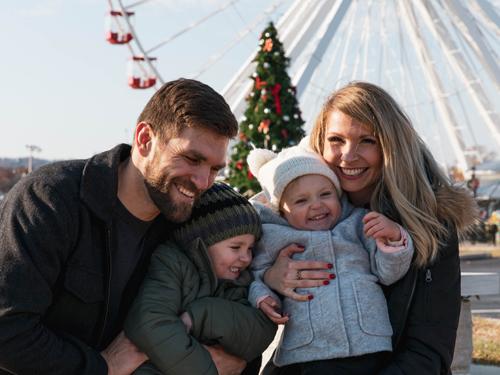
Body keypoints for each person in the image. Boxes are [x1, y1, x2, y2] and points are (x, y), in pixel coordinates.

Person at [0, 78, 245, 375]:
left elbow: (233, 302)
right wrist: (102, 367)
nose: (203, 181)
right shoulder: (48, 200)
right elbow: (8, 331)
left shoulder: (192, 222)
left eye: (215, 169)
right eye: (192, 159)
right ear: (144, 140)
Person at [260, 81, 478, 375]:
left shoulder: (429, 224)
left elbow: (428, 351)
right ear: (319, 145)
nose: (348, 156)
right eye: (336, 140)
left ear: (391, 147)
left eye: (367, 141)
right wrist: (269, 277)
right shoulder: (289, 213)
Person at [246, 146, 413, 374]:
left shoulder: (358, 223)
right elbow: (256, 274)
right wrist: (263, 295)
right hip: (308, 348)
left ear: (338, 195)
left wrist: (394, 239)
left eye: (325, 194)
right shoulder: (273, 237)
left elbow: (388, 272)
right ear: (282, 211)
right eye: (301, 201)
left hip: (368, 341)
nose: (316, 205)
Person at [124, 182, 277, 375]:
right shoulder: (171, 264)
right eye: (236, 247)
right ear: (202, 243)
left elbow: (259, 331)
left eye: (250, 248)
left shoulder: (238, 280)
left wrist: (203, 315)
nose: (246, 258)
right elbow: (149, 321)